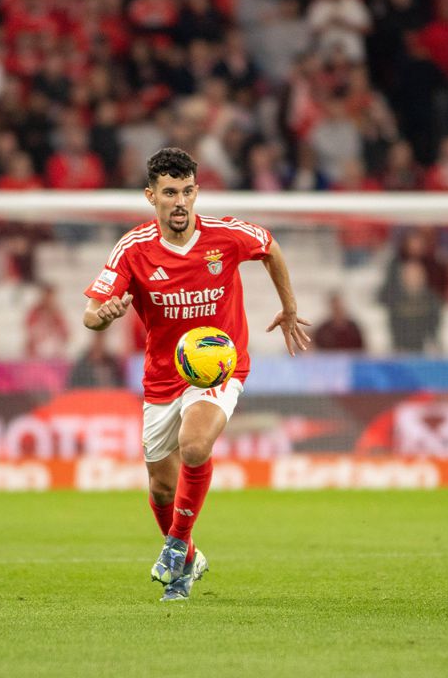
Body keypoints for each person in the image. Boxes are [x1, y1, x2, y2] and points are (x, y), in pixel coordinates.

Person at [82, 148, 310, 602]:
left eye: (187, 191)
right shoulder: (134, 249)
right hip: (163, 376)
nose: (180, 201)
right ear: (152, 196)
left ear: (197, 191)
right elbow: (91, 315)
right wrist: (105, 315)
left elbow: (270, 246)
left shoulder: (226, 235)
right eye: (170, 192)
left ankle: (174, 545)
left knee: (195, 444)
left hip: (218, 367)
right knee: (161, 487)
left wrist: (289, 307)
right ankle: (188, 558)